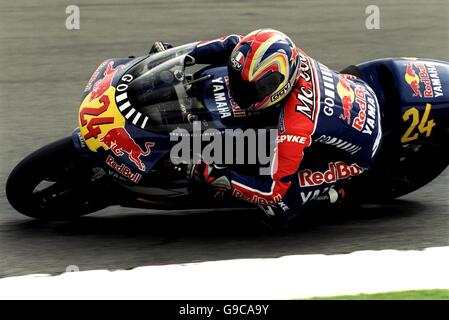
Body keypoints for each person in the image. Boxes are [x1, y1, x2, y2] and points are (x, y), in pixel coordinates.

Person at [153, 29, 382, 224]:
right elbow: (234, 44)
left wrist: (222, 177)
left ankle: (338, 193)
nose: (235, 89)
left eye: (246, 89)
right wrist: (186, 55)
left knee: (278, 208)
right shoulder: (284, 55)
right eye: (236, 81)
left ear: (278, 87)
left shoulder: (296, 124)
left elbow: (272, 192)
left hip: (355, 155)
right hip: (354, 90)